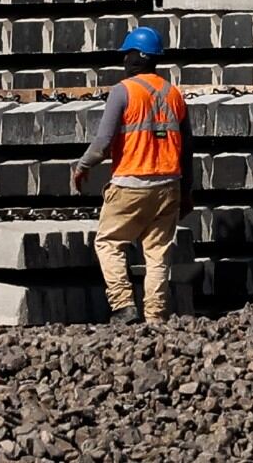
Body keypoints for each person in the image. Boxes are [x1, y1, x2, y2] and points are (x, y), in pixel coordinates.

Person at [71, 26, 193, 325]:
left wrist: (82, 166)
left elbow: (102, 143)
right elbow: (187, 150)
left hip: (131, 184)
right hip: (169, 185)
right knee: (157, 253)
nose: (124, 60)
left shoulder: (123, 92)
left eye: (127, 54)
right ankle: (156, 317)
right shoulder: (174, 94)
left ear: (138, 56)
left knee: (109, 243)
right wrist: (187, 191)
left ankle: (124, 304)